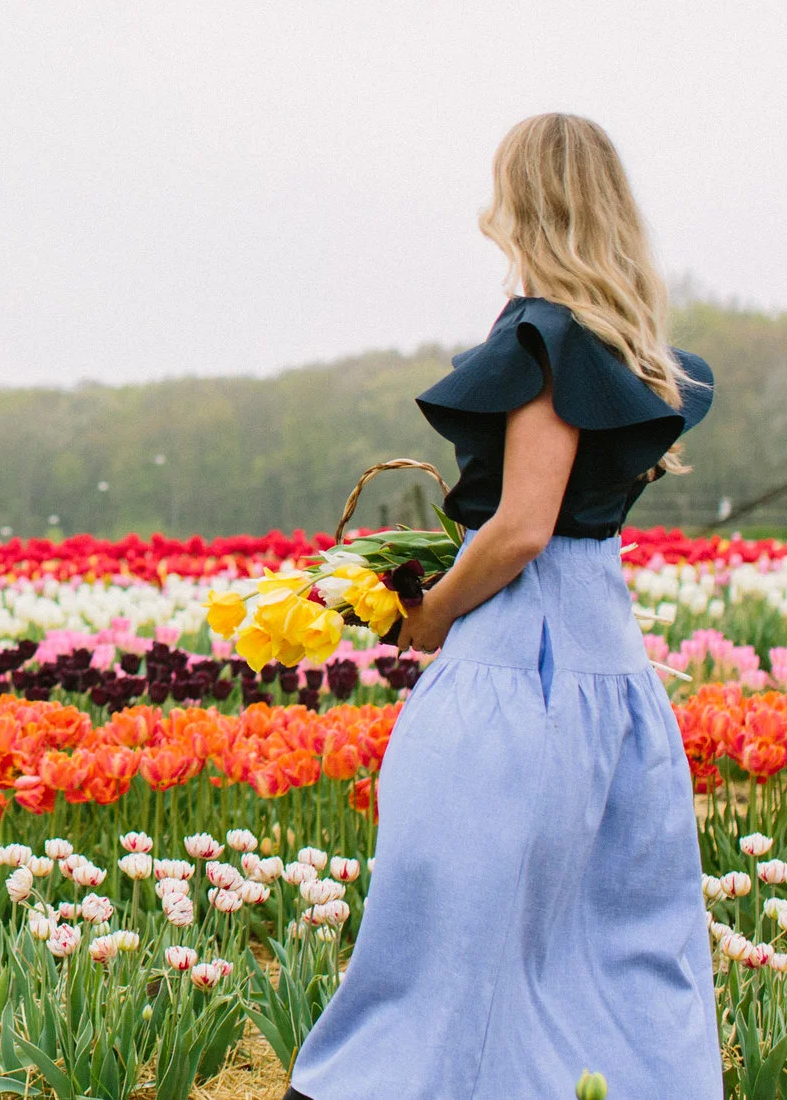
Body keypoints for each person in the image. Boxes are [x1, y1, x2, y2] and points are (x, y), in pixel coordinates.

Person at [286, 113, 720, 1100]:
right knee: (606, 932)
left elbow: (523, 526)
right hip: (606, 654)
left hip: (518, 663)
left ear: (519, 200)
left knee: (446, 917)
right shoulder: (634, 351)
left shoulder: (544, 339)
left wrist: (429, 611)